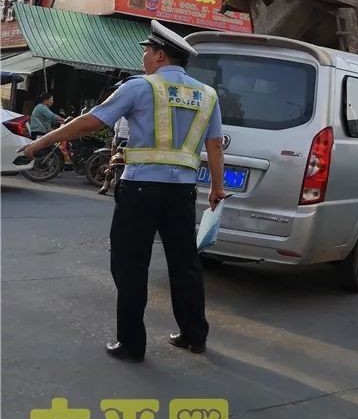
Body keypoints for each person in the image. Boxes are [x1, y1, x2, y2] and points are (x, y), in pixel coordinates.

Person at [22, 21, 225, 363]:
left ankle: (132, 344)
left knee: (130, 266)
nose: (144, 56)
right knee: (185, 265)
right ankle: (194, 335)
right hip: (182, 194)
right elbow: (215, 145)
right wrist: (217, 189)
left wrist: (42, 142)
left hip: (141, 191)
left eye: (147, 50)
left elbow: (91, 121)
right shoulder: (207, 95)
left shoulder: (139, 88)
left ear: (160, 55)